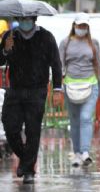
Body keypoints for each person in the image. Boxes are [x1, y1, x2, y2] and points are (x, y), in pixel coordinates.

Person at [0, 16, 62, 184]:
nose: (24, 21)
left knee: (32, 130)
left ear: (34, 19)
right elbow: (0, 60)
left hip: (37, 90)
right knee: (10, 127)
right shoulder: (10, 36)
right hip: (15, 90)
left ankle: (28, 171)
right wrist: (5, 49)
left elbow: (56, 63)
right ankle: (27, 159)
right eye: (21, 18)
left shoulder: (46, 37)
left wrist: (57, 89)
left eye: (28, 18)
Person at [59, 13, 100, 167]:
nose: (82, 28)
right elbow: (60, 65)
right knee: (74, 120)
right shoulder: (65, 43)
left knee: (85, 118)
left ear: (88, 27)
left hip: (91, 85)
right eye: (79, 25)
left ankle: (85, 152)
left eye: (84, 26)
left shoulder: (94, 43)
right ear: (74, 26)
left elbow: (99, 66)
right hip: (70, 86)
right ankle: (77, 153)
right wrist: (59, 88)